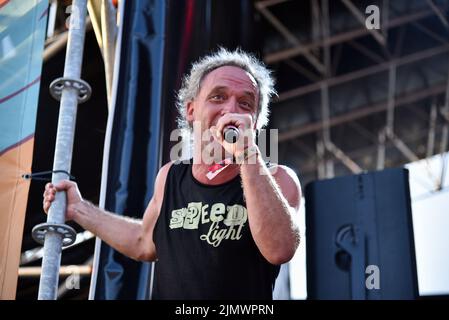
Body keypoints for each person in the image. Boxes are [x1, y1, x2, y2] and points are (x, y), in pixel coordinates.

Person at [43, 48, 301, 300]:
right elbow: (144, 240)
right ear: (191, 110)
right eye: (218, 97)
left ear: (255, 123)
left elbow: (279, 248)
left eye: (245, 103)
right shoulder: (169, 178)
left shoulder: (279, 180)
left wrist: (247, 152)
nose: (231, 110)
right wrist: (79, 210)